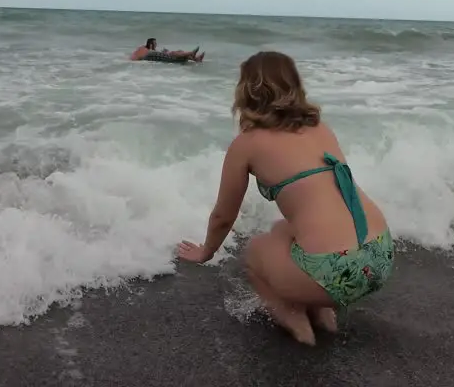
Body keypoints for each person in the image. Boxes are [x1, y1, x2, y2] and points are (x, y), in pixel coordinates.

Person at [176, 51, 394, 345]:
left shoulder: (247, 144)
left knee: (255, 253)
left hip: (335, 271)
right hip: (380, 255)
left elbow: (223, 217)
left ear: (246, 91)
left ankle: (298, 324)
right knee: (283, 230)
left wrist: (206, 252)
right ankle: (323, 315)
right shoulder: (320, 127)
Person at [129, 38, 204, 63]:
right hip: (147, 57)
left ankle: (195, 58)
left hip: (148, 57)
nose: (156, 45)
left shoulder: (143, 48)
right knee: (173, 53)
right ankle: (192, 53)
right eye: (155, 43)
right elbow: (137, 57)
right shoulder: (145, 50)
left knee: (179, 52)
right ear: (151, 44)